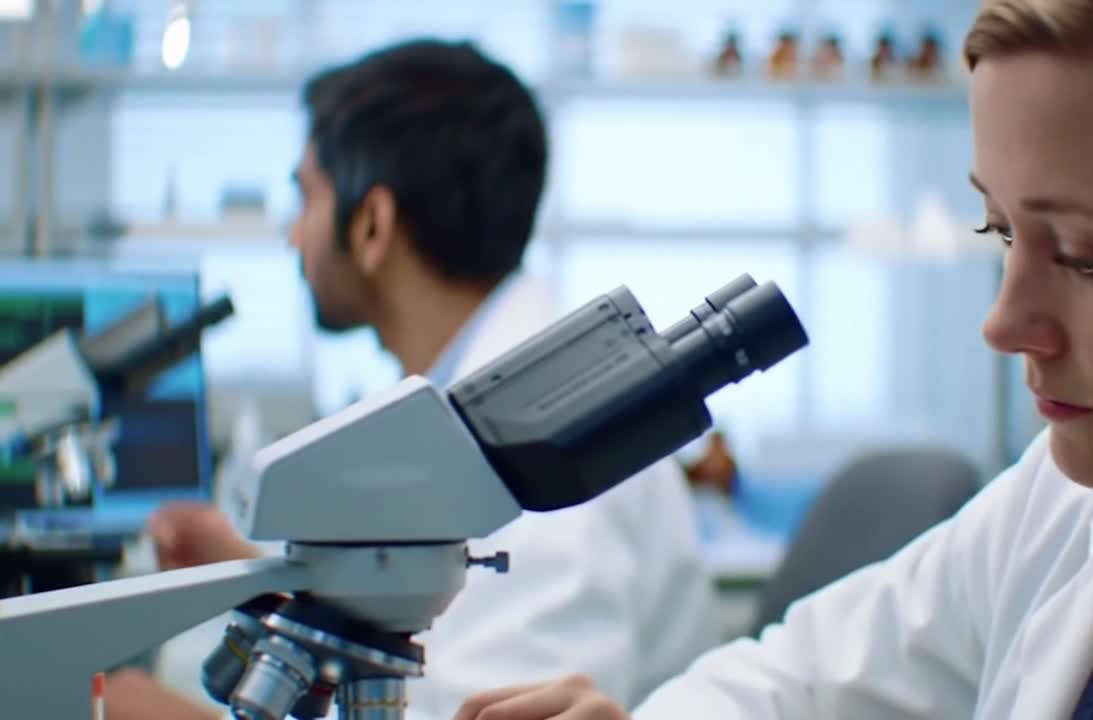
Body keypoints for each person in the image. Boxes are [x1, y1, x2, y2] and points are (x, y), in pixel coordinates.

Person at [451, 1, 1093, 718]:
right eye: (1000, 231)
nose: (1002, 323)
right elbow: (800, 683)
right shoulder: (1066, 507)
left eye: (1086, 256)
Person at [105, 39, 718, 719]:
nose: (292, 238)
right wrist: (273, 586)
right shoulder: (460, 402)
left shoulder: (544, 448)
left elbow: (477, 710)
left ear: (372, 225)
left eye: (306, 200)